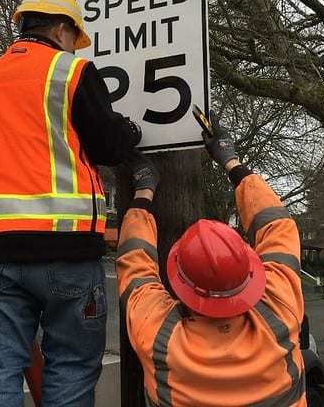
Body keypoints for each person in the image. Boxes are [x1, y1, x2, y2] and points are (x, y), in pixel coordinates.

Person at [0, 0, 141, 407]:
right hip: (66, 252)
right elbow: (108, 146)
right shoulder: (71, 71)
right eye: (74, 35)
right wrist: (130, 131)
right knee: (70, 367)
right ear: (63, 28)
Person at [116, 114, 306, 407]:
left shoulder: (159, 336)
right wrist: (231, 161)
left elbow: (134, 261)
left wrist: (144, 190)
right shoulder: (279, 311)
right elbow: (277, 225)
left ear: (180, 281)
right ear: (249, 273)